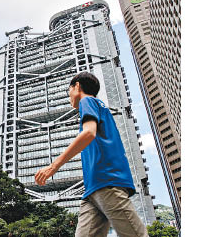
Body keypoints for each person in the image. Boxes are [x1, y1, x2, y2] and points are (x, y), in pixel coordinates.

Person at [34, 72, 148, 237]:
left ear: (78, 86)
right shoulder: (98, 107)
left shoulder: (87, 101)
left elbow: (89, 133)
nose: (69, 98)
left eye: (69, 92)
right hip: (92, 191)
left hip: (107, 182)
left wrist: (53, 166)